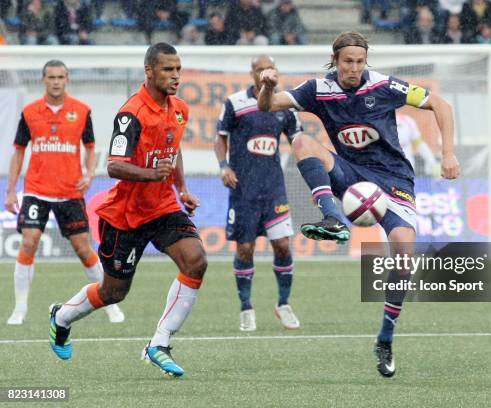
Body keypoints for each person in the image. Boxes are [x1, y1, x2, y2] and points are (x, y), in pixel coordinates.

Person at [258, 31, 460, 377]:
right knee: (303, 142)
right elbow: (268, 105)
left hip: (393, 180)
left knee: (403, 252)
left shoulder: (383, 86)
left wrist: (449, 154)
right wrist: (267, 85)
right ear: (334, 60)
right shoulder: (318, 90)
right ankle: (333, 219)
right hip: (350, 173)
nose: (354, 68)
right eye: (347, 61)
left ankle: (385, 337)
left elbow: (441, 105)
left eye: (359, 62)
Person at [47, 43, 207, 378]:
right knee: (114, 292)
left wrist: (182, 188)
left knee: (196, 261)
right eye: (168, 69)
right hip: (125, 216)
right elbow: (115, 166)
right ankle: (61, 317)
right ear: (149, 71)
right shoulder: (131, 113)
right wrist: (153, 175)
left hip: (163, 207)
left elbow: (172, 150)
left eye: (178, 69)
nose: (175, 76)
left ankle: (159, 344)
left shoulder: (178, 109)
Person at [4, 60, 124, 326]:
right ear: (43, 79)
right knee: (29, 241)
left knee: (83, 248)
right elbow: (19, 151)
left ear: (67, 79)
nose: (56, 81)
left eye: (60, 77)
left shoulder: (81, 111)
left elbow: (91, 147)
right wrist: (11, 190)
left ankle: (109, 303)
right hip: (37, 190)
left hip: (70, 192)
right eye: (51, 77)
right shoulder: (30, 112)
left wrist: (89, 173)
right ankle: (20, 308)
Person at [215, 55, 302, 332]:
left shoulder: (285, 106)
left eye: (269, 68)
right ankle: (246, 307)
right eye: (259, 69)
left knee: (283, 245)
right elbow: (220, 138)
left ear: (276, 73)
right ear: (252, 73)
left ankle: (284, 304)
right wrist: (223, 166)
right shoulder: (235, 103)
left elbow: (298, 141)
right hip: (244, 190)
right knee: (245, 248)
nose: (265, 73)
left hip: (274, 188)